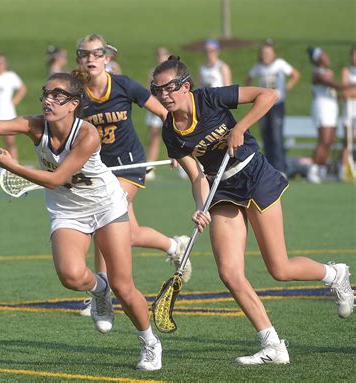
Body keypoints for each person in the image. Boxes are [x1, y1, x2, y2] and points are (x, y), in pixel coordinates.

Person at [151, 56, 354, 365]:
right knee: (230, 273)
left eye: (169, 88)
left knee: (280, 268)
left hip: (255, 176)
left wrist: (240, 128)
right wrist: (199, 206)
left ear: (186, 86)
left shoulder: (210, 97)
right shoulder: (171, 132)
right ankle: (272, 345)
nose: (164, 95)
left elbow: (268, 95)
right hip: (222, 190)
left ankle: (335, 274)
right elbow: (195, 175)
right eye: (157, 89)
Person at [0, 70, 162, 371]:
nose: (49, 100)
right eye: (47, 94)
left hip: (106, 205)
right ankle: (99, 289)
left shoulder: (87, 134)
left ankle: (149, 342)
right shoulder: (35, 125)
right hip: (68, 210)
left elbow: (56, 179)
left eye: (58, 96)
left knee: (124, 285)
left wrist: (14, 167)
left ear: (74, 104)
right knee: (70, 276)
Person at [75, 34, 191, 315]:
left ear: (107, 58)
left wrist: (175, 146)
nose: (90, 59)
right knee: (130, 233)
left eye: (96, 54)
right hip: (99, 170)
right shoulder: (76, 93)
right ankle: (174, 246)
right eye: (85, 54)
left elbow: (165, 113)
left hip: (129, 165)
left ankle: (100, 296)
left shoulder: (123, 85)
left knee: (104, 219)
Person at [245, 40, 300, 177]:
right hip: (263, 106)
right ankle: (269, 168)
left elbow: (295, 74)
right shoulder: (259, 67)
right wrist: (252, 95)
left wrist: (288, 86)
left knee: (276, 136)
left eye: (268, 53)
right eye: (263, 53)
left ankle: (281, 168)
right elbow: (248, 79)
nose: (265, 56)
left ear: (274, 54)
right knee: (266, 136)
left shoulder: (279, 64)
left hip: (277, 105)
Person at [306, 47, 345, 183]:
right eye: (323, 55)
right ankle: (313, 170)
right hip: (322, 107)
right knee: (323, 140)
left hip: (331, 107)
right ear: (318, 59)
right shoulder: (317, 73)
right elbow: (336, 86)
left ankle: (322, 170)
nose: (326, 57)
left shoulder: (328, 72)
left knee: (329, 141)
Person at [145, 47, 170, 181]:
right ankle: (151, 166)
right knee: (154, 136)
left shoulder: (173, 72)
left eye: (163, 54)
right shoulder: (152, 72)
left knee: (177, 136)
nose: (161, 57)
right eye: (159, 55)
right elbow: (149, 92)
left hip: (170, 108)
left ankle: (183, 166)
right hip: (156, 107)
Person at [340, 47, 356, 181]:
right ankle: (343, 170)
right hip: (349, 113)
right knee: (347, 142)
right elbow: (345, 93)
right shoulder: (346, 71)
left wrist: (352, 90)